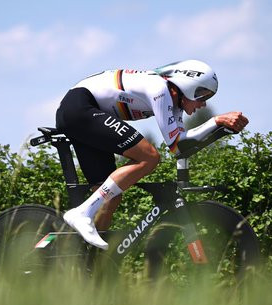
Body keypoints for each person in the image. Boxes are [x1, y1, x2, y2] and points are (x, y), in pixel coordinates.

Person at [55, 59, 249, 249]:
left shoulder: (174, 102)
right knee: (150, 156)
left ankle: (92, 262)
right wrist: (216, 121)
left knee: (110, 197)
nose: (203, 104)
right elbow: (176, 144)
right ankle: (82, 213)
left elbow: (181, 147)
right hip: (79, 108)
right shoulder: (160, 90)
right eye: (202, 95)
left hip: (83, 112)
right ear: (187, 86)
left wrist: (220, 129)